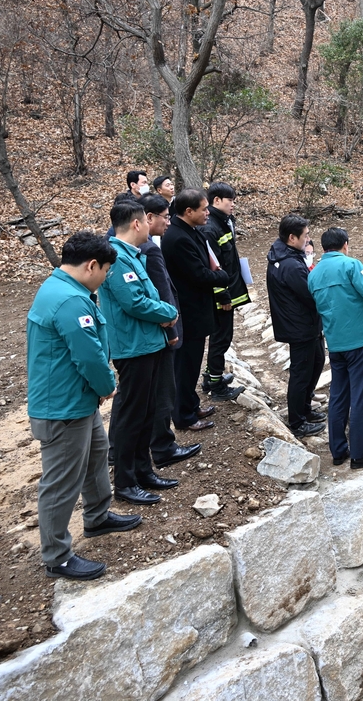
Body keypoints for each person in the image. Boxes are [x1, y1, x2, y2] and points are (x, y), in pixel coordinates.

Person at [26, 231, 140, 581]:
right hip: (63, 406)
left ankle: (98, 516)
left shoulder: (65, 289)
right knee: (61, 481)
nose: (106, 278)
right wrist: (107, 386)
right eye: (105, 270)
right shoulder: (70, 301)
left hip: (77, 400)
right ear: (92, 265)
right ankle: (57, 556)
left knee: (95, 455)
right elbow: (88, 355)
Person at [101, 201, 180, 505]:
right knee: (132, 416)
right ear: (136, 224)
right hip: (133, 348)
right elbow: (134, 302)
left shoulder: (132, 256)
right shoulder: (118, 259)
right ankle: (125, 481)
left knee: (146, 413)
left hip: (149, 343)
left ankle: (144, 471)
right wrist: (168, 311)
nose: (151, 226)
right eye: (146, 222)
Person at [307, 227, 363, 469]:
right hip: (359, 340)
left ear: (323, 248)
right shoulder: (351, 264)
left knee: (338, 395)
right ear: (345, 244)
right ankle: (360, 452)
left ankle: (338, 450)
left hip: (335, 342)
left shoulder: (313, 274)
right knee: (361, 395)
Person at [140, 194, 208, 473]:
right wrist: (170, 321)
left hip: (176, 322)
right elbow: (154, 294)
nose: (167, 221)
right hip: (169, 325)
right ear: (146, 219)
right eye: (163, 217)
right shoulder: (153, 248)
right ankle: (165, 441)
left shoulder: (156, 243)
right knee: (164, 388)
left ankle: (166, 438)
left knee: (174, 381)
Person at [163, 189, 237, 431]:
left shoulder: (190, 230)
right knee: (185, 366)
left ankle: (191, 404)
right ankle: (184, 416)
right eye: (203, 209)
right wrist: (223, 277)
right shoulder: (178, 238)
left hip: (197, 309)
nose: (208, 213)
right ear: (188, 211)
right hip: (189, 311)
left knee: (193, 363)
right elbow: (199, 274)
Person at [267, 215, 326, 437]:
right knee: (301, 372)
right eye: (306, 235)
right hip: (300, 325)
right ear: (292, 238)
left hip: (305, 323)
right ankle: (297, 421)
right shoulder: (290, 265)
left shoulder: (285, 254)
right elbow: (310, 295)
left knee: (317, 362)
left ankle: (305, 408)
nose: (309, 239)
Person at [200, 182, 250, 400]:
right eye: (230, 201)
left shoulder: (224, 222)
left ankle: (212, 376)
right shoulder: (211, 228)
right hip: (221, 296)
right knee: (221, 338)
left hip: (230, 287)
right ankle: (216, 385)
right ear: (217, 201)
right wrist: (223, 295)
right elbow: (214, 265)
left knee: (223, 337)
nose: (233, 205)